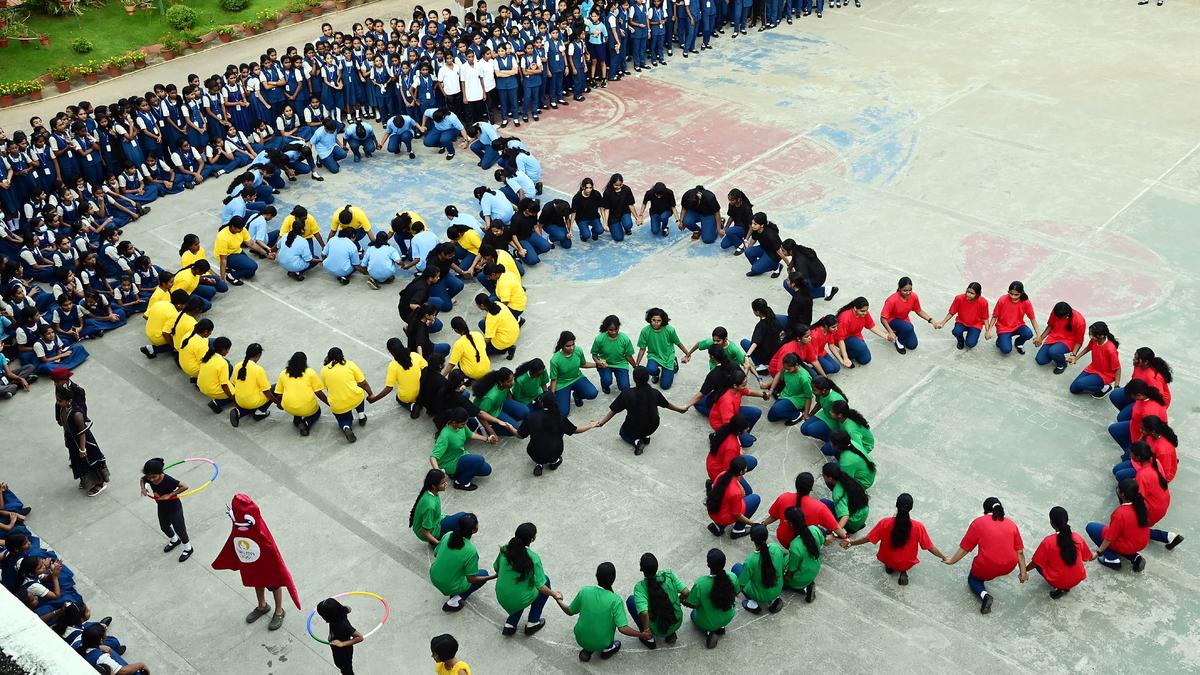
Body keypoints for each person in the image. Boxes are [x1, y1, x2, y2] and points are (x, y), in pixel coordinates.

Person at [942, 497, 1027, 614]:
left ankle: (985, 596)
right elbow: (1020, 552)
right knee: (997, 567)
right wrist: (1023, 573)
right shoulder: (1012, 524)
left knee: (973, 579)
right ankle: (996, 573)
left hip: (987, 566)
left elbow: (965, 549)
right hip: (1009, 566)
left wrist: (952, 561)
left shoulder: (978, 523)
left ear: (984, 511)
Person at [841, 493, 947, 586]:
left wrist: (851, 543)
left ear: (896, 505)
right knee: (904, 561)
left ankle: (890, 567)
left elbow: (868, 538)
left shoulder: (885, 523)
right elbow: (930, 547)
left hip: (886, 558)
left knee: (890, 560)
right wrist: (943, 556)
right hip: (906, 562)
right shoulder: (918, 527)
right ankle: (903, 572)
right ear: (911, 508)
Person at [554, 561, 649, 662]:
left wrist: (558, 600)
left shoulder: (584, 591)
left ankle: (587, 650)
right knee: (608, 637)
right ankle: (607, 649)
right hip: (603, 642)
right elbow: (623, 629)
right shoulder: (615, 600)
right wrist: (642, 634)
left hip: (580, 638)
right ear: (613, 579)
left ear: (596, 576)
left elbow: (569, 611)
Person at [594, 365, 689, 454]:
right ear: (648, 378)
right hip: (653, 426)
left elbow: (613, 411)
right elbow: (667, 405)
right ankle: (646, 437)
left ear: (634, 379)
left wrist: (601, 423)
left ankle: (637, 441)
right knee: (646, 420)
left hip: (634, 428)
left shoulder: (626, 394)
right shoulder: (654, 393)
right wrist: (680, 409)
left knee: (622, 432)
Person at [494, 522, 560, 636]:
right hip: (519, 599)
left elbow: (496, 568)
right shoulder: (533, 558)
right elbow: (541, 586)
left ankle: (511, 624)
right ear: (532, 539)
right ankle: (533, 622)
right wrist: (554, 594)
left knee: (518, 589)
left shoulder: (505, 548)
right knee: (545, 580)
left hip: (501, 595)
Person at [517, 391, 597, 475]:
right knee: (558, 437)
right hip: (554, 452)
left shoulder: (532, 417)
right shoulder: (559, 417)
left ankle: (539, 464)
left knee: (538, 448)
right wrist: (591, 425)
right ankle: (554, 462)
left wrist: (509, 427)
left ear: (542, 404)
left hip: (534, 453)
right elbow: (576, 430)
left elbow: (520, 435)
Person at [430, 514, 496, 612]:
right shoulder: (471, 551)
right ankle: (455, 600)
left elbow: (436, 553)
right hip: (448, 585)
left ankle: (454, 588)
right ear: (474, 530)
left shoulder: (448, 535)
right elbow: (471, 578)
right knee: (483, 574)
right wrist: (493, 577)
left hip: (434, 576)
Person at [55, 379, 108, 496]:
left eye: (60, 401)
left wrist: (83, 448)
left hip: (83, 442)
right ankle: (87, 480)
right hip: (72, 441)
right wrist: (66, 438)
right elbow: (65, 425)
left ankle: (100, 482)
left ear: (69, 400)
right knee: (78, 462)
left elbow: (82, 432)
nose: (58, 403)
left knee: (90, 461)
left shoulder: (77, 414)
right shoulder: (63, 410)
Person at [1027, 506, 1093, 599]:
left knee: (1039, 564)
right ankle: (1065, 587)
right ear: (1066, 520)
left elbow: (1035, 563)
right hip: (1077, 578)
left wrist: (1024, 570)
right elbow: (1087, 557)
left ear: (1052, 523)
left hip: (1060, 581)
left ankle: (1060, 587)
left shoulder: (1048, 542)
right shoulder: (1077, 537)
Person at [626, 552, 689, 649]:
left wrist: (647, 629)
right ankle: (671, 633)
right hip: (677, 621)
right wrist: (680, 600)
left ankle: (649, 638)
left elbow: (644, 613)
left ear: (641, 569)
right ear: (657, 566)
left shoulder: (640, 588)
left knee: (631, 601)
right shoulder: (668, 575)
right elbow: (686, 592)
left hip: (657, 630)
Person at [1087, 479, 1150, 573]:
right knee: (1120, 535)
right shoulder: (1141, 504)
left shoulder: (1120, 514)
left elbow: (1109, 538)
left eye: (1118, 489)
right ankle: (1135, 557)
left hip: (1128, 544)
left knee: (1091, 528)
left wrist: (1098, 552)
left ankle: (1111, 559)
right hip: (1142, 542)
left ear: (1122, 494)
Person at [139, 457, 193, 562]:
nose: (151, 480)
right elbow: (142, 479)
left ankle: (188, 548)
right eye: (150, 477)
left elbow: (185, 486)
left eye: (154, 477)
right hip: (161, 506)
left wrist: (170, 494)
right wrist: (143, 488)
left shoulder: (167, 479)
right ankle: (174, 540)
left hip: (174, 507)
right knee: (164, 526)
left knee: (179, 529)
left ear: (160, 473)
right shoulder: (148, 477)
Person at [430, 407, 497, 491]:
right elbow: (433, 457)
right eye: (463, 424)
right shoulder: (445, 436)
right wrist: (438, 472)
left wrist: (487, 439)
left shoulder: (461, 426)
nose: (465, 425)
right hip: (449, 462)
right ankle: (461, 482)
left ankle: (458, 473)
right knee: (479, 459)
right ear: (454, 422)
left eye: (466, 423)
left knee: (487, 470)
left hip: (461, 455)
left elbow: (470, 434)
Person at [687, 548, 739, 649]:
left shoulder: (700, 584)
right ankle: (721, 627)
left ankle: (709, 632)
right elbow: (737, 592)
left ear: (708, 565)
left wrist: (682, 600)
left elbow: (692, 604)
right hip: (729, 617)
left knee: (693, 614)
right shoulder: (732, 577)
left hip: (709, 622)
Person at [321, 347, 373, 442]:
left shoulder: (324, 370)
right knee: (358, 391)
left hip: (339, 404)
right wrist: (370, 394)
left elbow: (328, 388)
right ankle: (361, 415)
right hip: (355, 398)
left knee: (343, 419)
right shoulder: (350, 364)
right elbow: (363, 383)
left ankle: (346, 427)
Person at [730, 524, 786, 613]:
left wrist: (732, 596)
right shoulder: (776, 548)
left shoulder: (751, 560)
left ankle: (753, 604)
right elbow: (782, 567)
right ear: (767, 536)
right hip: (778, 588)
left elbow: (741, 585)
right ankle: (774, 599)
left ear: (752, 539)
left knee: (736, 568)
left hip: (760, 596)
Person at [273, 351, 328, 436]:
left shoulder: (284, 373)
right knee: (317, 412)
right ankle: (306, 423)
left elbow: (279, 394)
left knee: (296, 408)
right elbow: (319, 393)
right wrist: (329, 403)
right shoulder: (310, 373)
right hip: (307, 408)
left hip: (288, 407)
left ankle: (297, 419)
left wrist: (279, 404)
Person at [635, 308, 691, 389]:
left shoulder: (670, 330)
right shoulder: (645, 331)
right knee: (650, 369)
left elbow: (678, 343)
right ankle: (656, 373)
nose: (656, 323)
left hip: (668, 357)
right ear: (650, 319)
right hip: (654, 356)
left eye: (659, 320)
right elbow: (642, 349)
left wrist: (687, 354)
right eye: (653, 320)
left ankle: (673, 363)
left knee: (665, 386)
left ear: (663, 321)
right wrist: (637, 364)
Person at [1109, 347, 1172, 420]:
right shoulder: (1138, 365)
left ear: (1146, 362)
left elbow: (1157, 398)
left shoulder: (1153, 378)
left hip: (1152, 399)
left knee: (1121, 418)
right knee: (1115, 395)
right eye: (1134, 357)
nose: (1134, 359)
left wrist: (1140, 406)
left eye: (1136, 359)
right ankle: (1130, 415)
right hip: (1139, 393)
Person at [409, 469, 467, 547]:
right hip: (433, 529)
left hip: (435, 520)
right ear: (433, 486)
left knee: (461, 519)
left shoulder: (428, 492)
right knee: (463, 518)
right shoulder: (430, 506)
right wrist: (439, 544)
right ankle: (435, 539)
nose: (446, 484)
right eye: (442, 483)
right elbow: (425, 531)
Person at [548, 330, 600, 414]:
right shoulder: (555, 360)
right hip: (562, 384)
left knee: (592, 393)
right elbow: (554, 379)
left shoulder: (578, 350)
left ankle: (577, 395)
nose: (572, 348)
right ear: (562, 345)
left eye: (573, 344)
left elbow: (583, 364)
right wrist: (552, 395)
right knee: (563, 413)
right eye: (568, 346)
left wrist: (597, 365)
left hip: (577, 378)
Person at [706, 456, 758, 538]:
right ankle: (738, 530)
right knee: (755, 499)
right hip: (724, 517)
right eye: (745, 468)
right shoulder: (736, 493)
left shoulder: (722, 475)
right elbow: (738, 515)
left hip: (713, 511)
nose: (747, 468)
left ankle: (719, 526)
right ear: (741, 472)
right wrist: (753, 524)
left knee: (726, 502)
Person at [1065, 321, 1121, 397]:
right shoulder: (1094, 340)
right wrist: (1075, 358)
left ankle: (1105, 387)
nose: (1090, 337)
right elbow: (1088, 348)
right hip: (1093, 368)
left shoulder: (1111, 349)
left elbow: (1118, 369)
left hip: (1104, 375)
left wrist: (1116, 386)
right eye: (1090, 334)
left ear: (1101, 336)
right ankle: (1093, 383)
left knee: (1079, 383)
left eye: (1092, 335)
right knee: (1073, 389)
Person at [880, 276, 933, 354]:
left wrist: (931, 320)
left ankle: (898, 332)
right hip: (891, 321)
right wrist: (890, 332)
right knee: (908, 327)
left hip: (904, 320)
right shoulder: (891, 300)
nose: (908, 293)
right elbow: (883, 318)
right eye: (905, 290)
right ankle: (898, 341)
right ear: (899, 288)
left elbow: (919, 310)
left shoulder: (914, 297)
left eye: (910, 290)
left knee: (912, 345)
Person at [985, 281, 1040, 355]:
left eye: (1016, 295)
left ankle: (1018, 344)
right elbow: (995, 316)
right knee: (1006, 350)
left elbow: (1032, 319)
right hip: (1003, 328)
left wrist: (1038, 335)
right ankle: (1001, 339)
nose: (1013, 296)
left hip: (1018, 326)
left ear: (1021, 293)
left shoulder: (1026, 302)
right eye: (1011, 293)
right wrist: (989, 330)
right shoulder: (1002, 299)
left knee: (1028, 333)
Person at [779, 507, 822, 602]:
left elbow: (790, 572)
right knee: (784, 555)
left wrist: (781, 578)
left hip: (799, 578)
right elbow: (822, 542)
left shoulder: (795, 545)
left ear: (790, 523)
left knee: (773, 575)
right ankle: (807, 584)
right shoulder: (814, 529)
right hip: (814, 568)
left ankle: (802, 588)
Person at [230, 343, 279, 426]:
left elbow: (234, 384)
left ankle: (240, 412)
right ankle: (260, 412)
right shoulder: (258, 369)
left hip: (239, 401)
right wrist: (277, 402)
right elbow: (266, 391)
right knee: (276, 387)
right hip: (252, 401)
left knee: (250, 401)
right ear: (258, 355)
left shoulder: (237, 366)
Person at [834, 296, 892, 366]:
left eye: (866, 310)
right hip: (843, 338)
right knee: (861, 347)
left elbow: (871, 326)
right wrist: (846, 358)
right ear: (855, 308)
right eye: (862, 311)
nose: (865, 313)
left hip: (856, 336)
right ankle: (843, 354)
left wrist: (886, 336)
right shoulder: (845, 317)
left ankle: (845, 352)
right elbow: (840, 339)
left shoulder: (865, 313)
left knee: (865, 360)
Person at [1032, 301, 1087, 373]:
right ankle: (1056, 354)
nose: (1057, 318)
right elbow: (1050, 326)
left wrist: (1073, 355)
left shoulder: (1079, 320)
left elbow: (1079, 341)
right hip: (1053, 337)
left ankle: (1062, 364)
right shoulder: (1056, 311)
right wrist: (1040, 338)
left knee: (1053, 351)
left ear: (1066, 315)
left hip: (1069, 341)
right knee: (1040, 360)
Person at [933, 282, 988, 350]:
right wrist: (943, 323)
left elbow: (985, 318)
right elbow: (951, 312)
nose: (968, 295)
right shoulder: (959, 298)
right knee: (956, 331)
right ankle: (960, 340)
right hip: (961, 321)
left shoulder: (983, 302)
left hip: (975, 324)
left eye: (972, 293)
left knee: (970, 344)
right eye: (968, 292)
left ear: (977, 294)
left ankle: (971, 336)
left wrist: (988, 331)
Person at [591, 315, 637, 393]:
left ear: (619, 327)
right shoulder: (600, 339)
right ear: (606, 328)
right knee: (607, 380)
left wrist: (635, 366)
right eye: (610, 330)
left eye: (616, 329)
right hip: (605, 364)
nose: (613, 332)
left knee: (625, 387)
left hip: (620, 364)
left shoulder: (624, 339)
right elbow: (594, 354)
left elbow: (628, 356)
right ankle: (605, 386)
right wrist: (598, 362)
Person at [317, 597, 363, 675]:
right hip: (337, 648)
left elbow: (360, 637)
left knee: (346, 670)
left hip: (343, 652)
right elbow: (349, 608)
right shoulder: (339, 614)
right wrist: (341, 608)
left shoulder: (342, 625)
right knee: (341, 666)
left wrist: (342, 644)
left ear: (328, 616)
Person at [476, 294, 520, 358]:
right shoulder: (498, 303)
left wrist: (477, 344)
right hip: (514, 332)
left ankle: (504, 349)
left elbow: (487, 340)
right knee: (482, 323)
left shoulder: (491, 319)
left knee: (478, 352)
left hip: (504, 341)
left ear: (482, 305)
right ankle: (507, 346)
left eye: (477, 305)